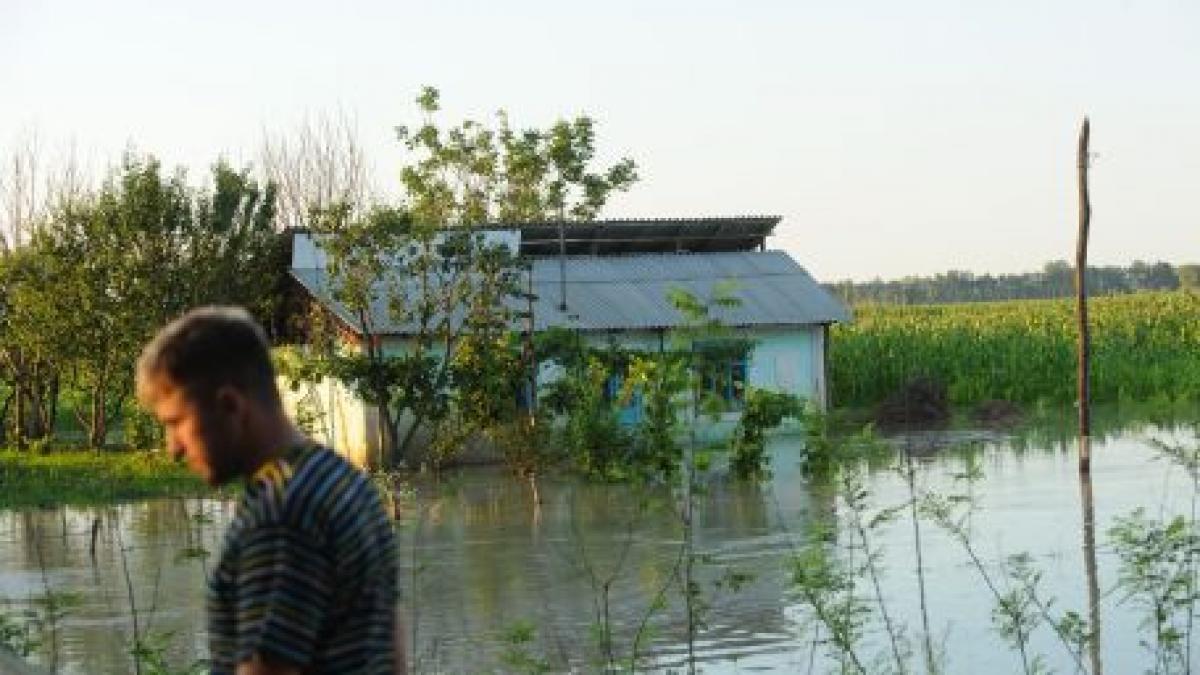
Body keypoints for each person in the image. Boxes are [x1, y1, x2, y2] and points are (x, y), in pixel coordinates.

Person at [136, 306, 405, 675]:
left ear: (230, 405)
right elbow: (391, 641)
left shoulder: (282, 515)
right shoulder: (342, 478)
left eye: (176, 422)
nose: (173, 448)